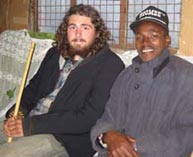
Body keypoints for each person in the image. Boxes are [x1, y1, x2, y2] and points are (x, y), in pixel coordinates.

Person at [1, 4, 125, 157]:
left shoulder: (110, 65)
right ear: (65, 30)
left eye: (85, 28)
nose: (78, 33)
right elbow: (32, 89)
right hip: (29, 122)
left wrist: (31, 126)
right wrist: (18, 113)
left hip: (62, 137)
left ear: (97, 33)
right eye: (72, 27)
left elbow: (89, 117)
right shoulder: (54, 53)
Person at [91, 5, 193, 157]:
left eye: (153, 36)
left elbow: (188, 132)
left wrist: (136, 145)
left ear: (167, 40)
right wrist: (107, 136)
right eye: (139, 37)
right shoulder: (126, 75)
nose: (145, 43)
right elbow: (108, 118)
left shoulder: (187, 76)